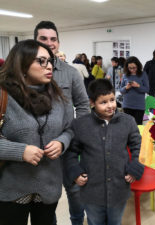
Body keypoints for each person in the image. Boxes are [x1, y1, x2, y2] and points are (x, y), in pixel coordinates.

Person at [0, 39, 73, 225]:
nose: (49, 66)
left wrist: (62, 142)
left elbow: (70, 129)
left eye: (50, 61)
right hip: (12, 187)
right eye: (41, 61)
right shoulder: (4, 95)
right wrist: (20, 151)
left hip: (49, 185)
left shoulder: (59, 96)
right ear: (22, 64)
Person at [64, 79, 144, 225]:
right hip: (92, 190)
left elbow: (138, 145)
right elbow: (71, 152)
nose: (110, 106)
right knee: (95, 221)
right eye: (103, 102)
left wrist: (134, 166)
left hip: (119, 188)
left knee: (115, 221)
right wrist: (75, 172)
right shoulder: (80, 124)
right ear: (92, 102)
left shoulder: (128, 121)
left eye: (112, 100)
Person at [34, 20, 90, 225]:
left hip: (69, 146)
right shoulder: (25, 72)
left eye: (53, 39)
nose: (49, 43)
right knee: (46, 198)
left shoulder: (71, 73)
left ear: (58, 42)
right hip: (38, 149)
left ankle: (77, 221)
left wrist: (75, 134)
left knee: (75, 191)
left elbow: (84, 106)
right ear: (35, 41)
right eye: (43, 39)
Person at [120, 56, 149, 125]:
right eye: (130, 68)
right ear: (127, 67)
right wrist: (126, 88)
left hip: (139, 106)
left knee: (137, 127)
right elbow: (121, 91)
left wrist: (138, 86)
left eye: (134, 68)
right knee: (127, 126)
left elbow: (147, 89)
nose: (132, 69)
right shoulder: (125, 75)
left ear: (138, 66)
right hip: (127, 105)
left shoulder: (143, 74)